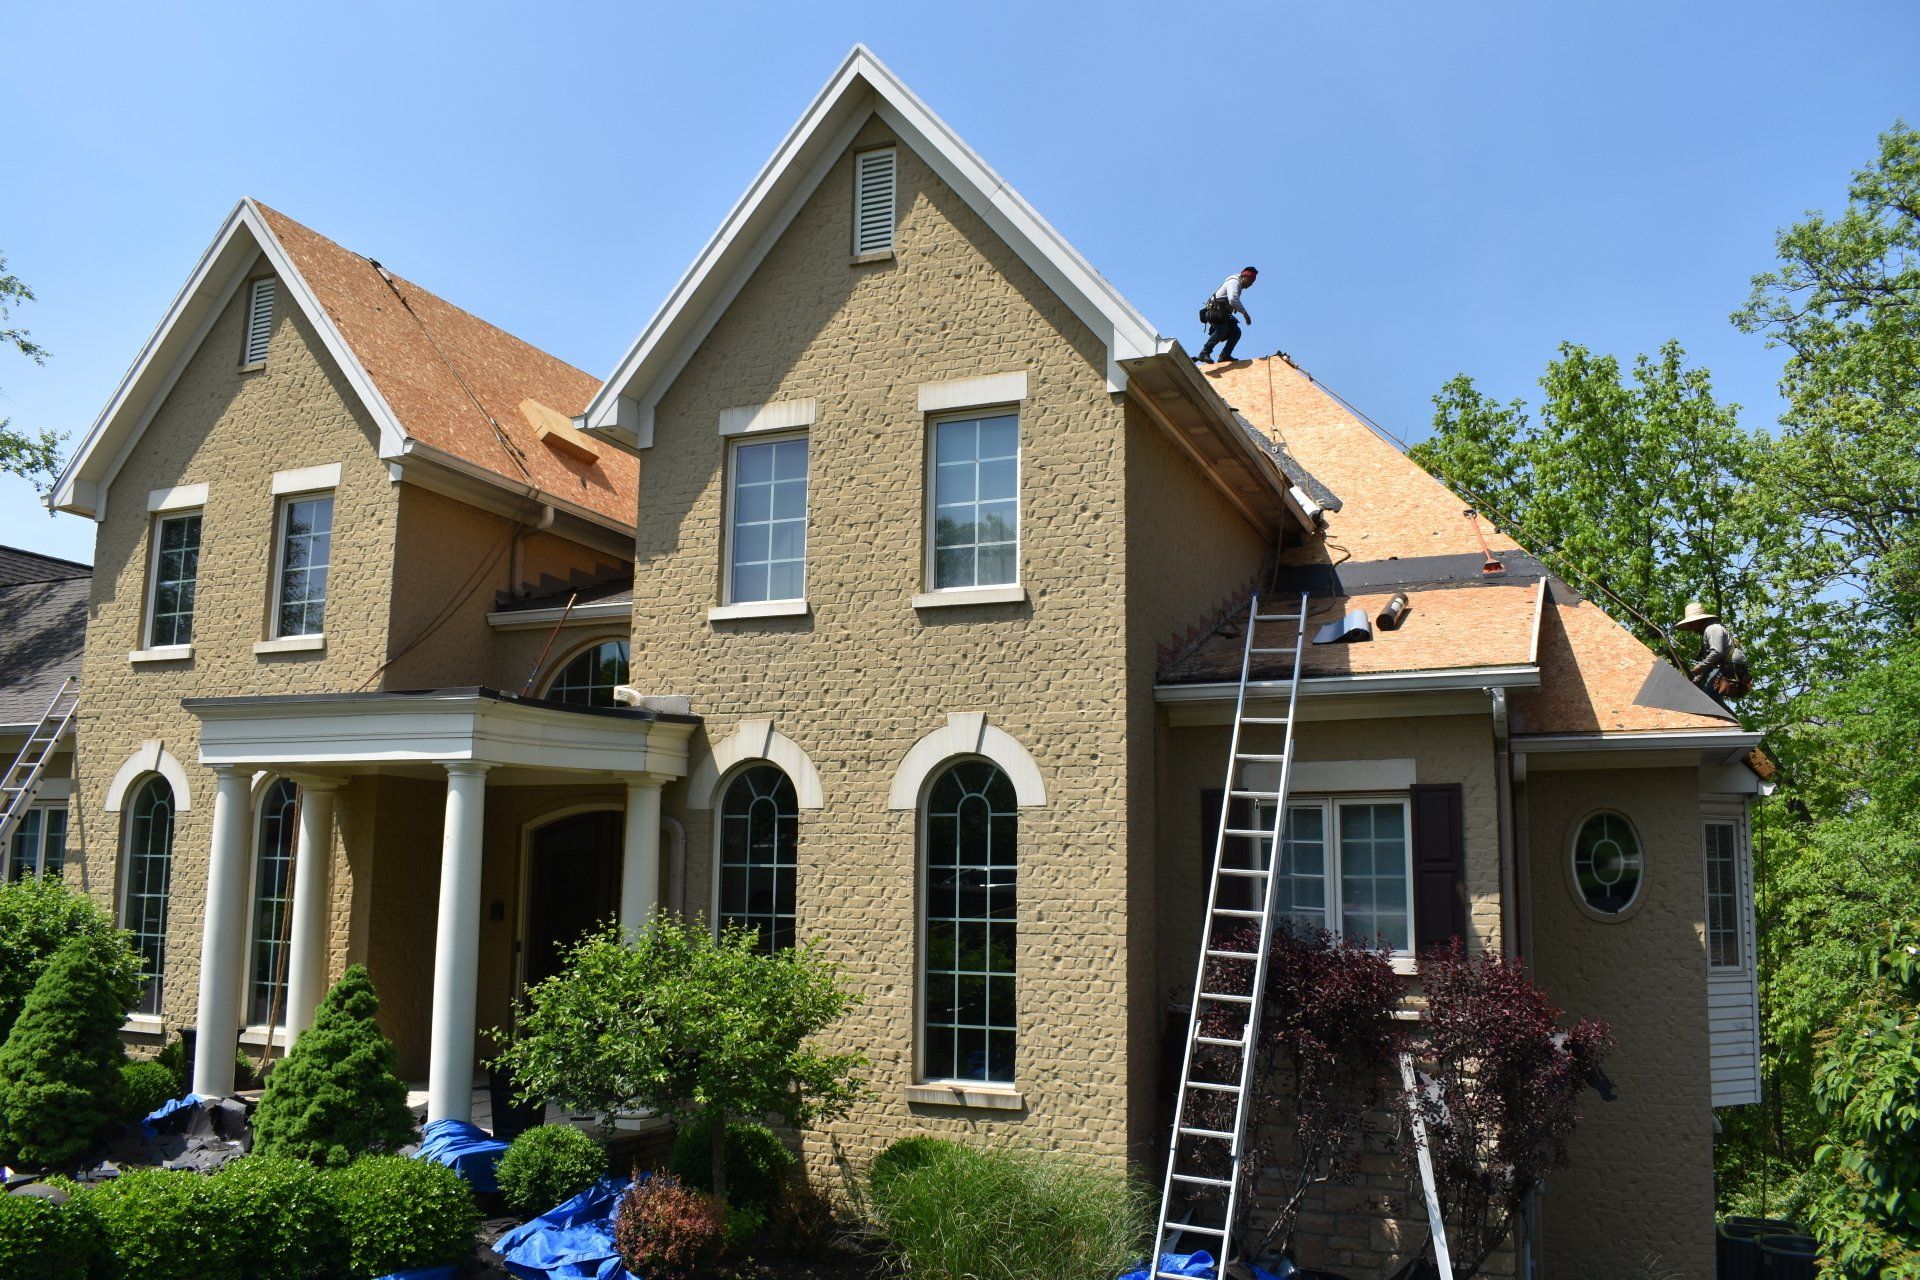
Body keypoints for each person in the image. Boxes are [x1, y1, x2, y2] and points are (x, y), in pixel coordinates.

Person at [1676, 601, 1750, 704]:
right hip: (1728, 666)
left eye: (1691, 623)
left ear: (1698, 621)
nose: (1690, 626)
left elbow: (1717, 653)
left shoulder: (1712, 629)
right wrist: (1698, 678)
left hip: (1731, 667)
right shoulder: (1709, 629)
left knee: (1706, 698)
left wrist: (1700, 666)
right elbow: (1712, 661)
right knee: (1709, 696)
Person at [1195, 266, 1257, 363]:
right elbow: (1233, 300)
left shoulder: (1237, 284)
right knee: (1222, 330)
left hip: (1222, 313)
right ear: (1245, 277)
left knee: (1236, 332)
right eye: (1251, 281)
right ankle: (1204, 353)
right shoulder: (1234, 282)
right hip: (1215, 311)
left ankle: (1224, 356)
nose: (1251, 284)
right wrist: (1245, 313)